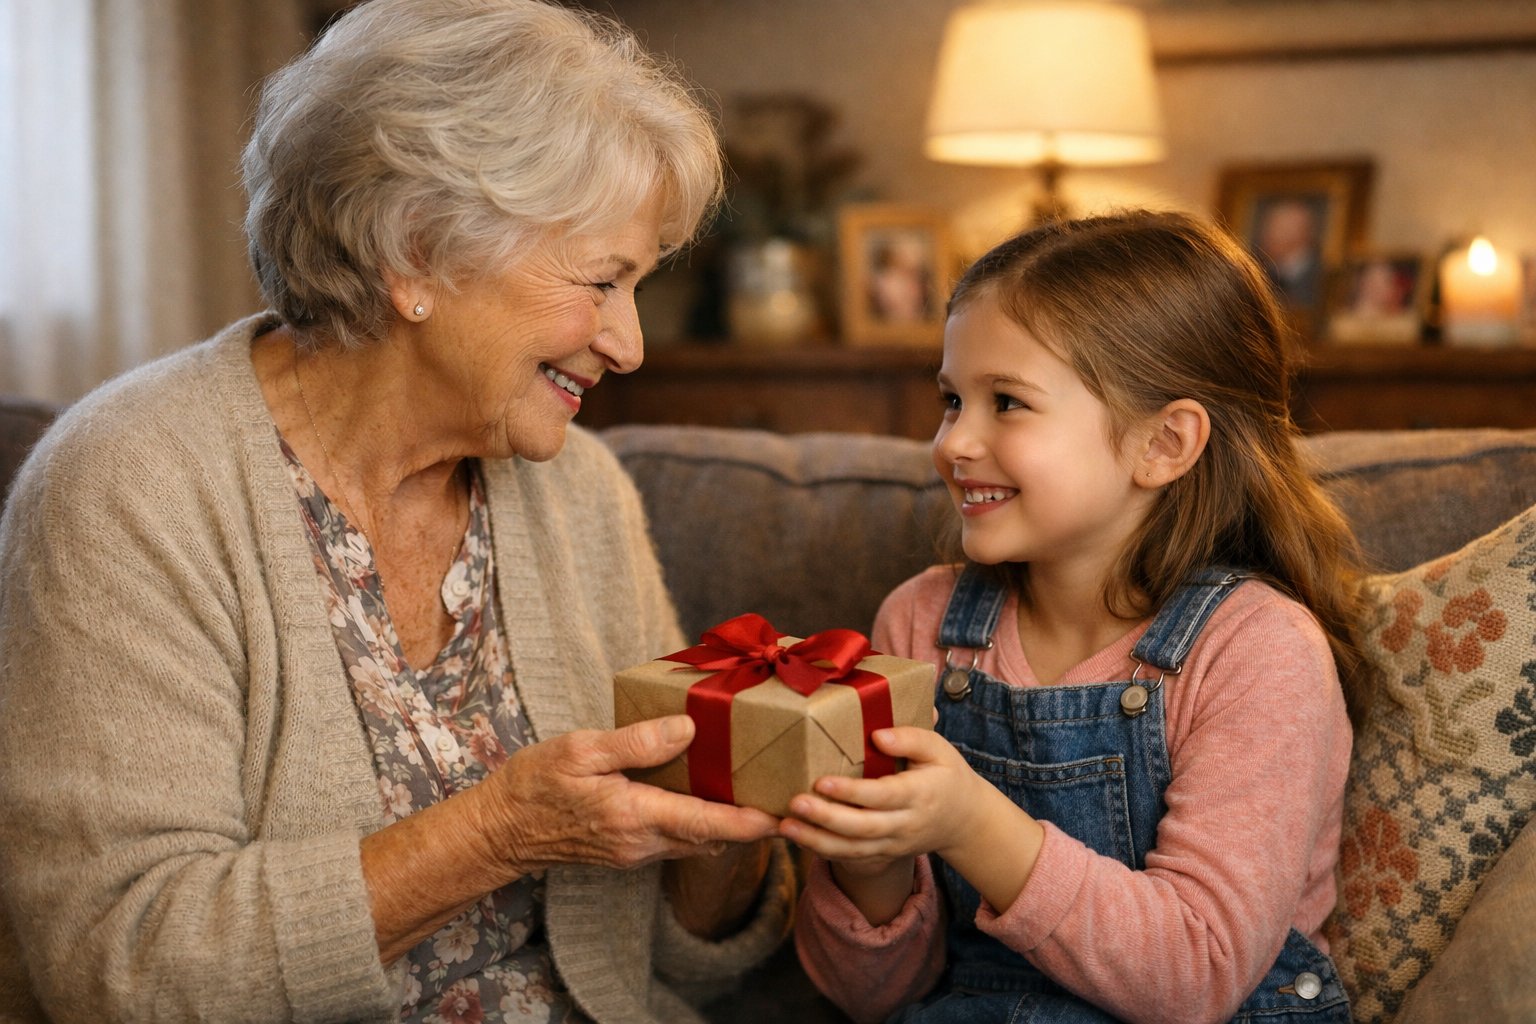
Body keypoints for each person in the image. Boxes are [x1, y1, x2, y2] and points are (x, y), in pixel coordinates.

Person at [0, 2, 794, 1020]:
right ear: (418, 251)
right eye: (601, 281)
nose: (629, 343)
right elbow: (120, 964)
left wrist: (737, 821)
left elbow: (678, 965)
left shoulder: (578, 489)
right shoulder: (131, 486)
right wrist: (497, 830)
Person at [784, 210, 1374, 1024]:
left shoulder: (1258, 651)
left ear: (1164, 444)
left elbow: (1195, 973)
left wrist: (970, 822)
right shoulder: (918, 625)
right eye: (953, 400)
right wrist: (874, 867)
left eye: (1008, 403)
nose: (955, 442)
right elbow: (875, 995)